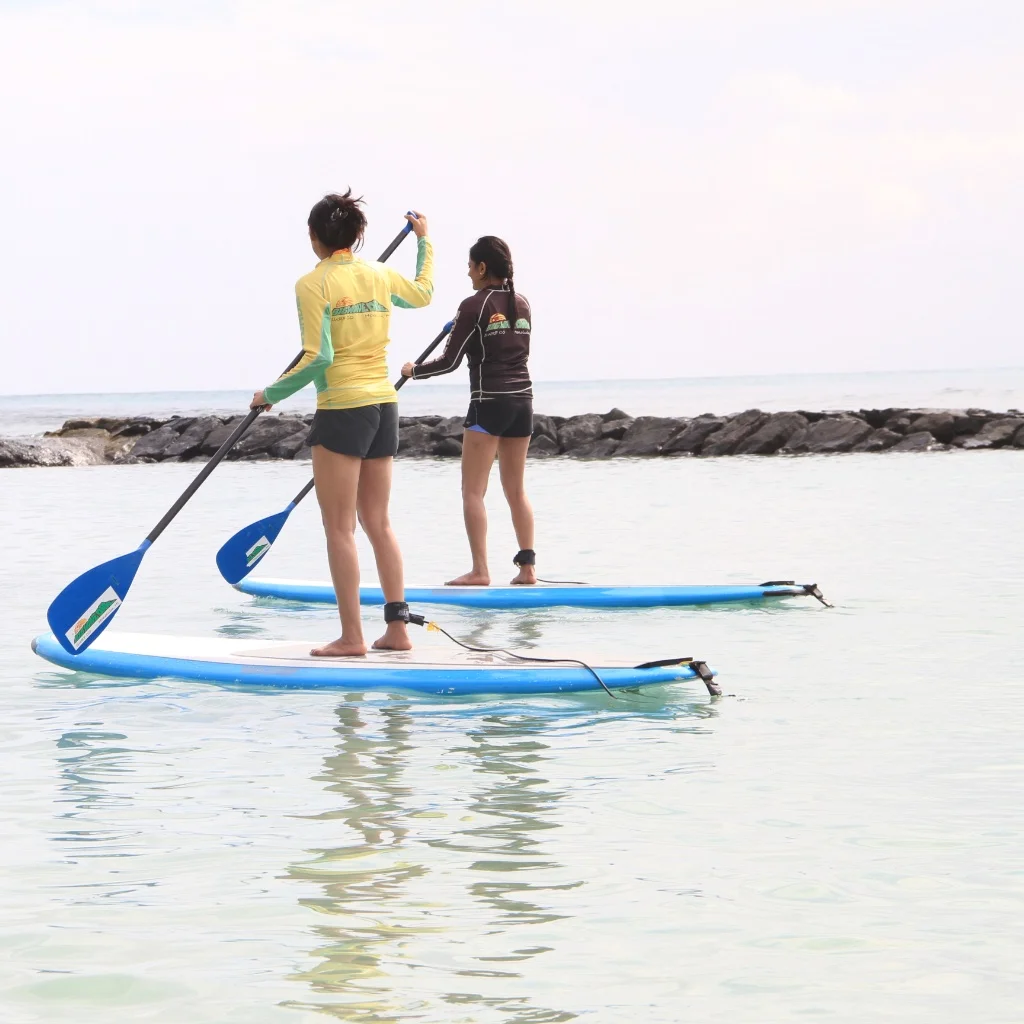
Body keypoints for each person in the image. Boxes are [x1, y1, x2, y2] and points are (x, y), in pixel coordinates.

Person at [251, 191, 432, 656]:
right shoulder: (379, 274)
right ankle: (397, 630)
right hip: (384, 405)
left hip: (342, 407)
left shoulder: (312, 284)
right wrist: (423, 242)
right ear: (357, 234)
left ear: (314, 236)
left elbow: (319, 357)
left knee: (339, 528)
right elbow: (423, 294)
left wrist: (271, 394)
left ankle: (352, 637)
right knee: (378, 523)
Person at [401, 235, 536, 586]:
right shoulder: (522, 303)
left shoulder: (473, 305)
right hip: (522, 403)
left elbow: (449, 361)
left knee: (473, 491)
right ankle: (527, 569)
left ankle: (480, 571)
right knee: (516, 490)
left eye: (470, 266)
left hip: (488, 404)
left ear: (482, 267)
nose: (468, 272)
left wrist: (414, 371)